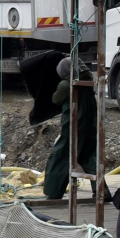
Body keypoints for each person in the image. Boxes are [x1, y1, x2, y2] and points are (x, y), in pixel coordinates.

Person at [43, 58, 98, 200]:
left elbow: (56, 99)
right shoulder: (88, 81)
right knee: (89, 156)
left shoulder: (66, 85)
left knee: (61, 157)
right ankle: (101, 189)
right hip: (90, 124)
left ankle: (53, 192)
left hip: (74, 126)